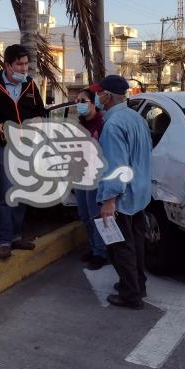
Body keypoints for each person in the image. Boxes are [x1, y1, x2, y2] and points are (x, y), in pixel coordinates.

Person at [0, 44, 46, 259]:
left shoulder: (31, 85)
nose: (24, 68)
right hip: (2, 147)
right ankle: (2, 240)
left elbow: (41, 111)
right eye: (19, 64)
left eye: (26, 64)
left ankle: (15, 236)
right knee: (5, 194)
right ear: (8, 65)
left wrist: (37, 121)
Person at [92, 75, 152, 310]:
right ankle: (138, 284)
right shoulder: (136, 118)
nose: (98, 97)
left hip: (123, 197)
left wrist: (109, 200)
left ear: (107, 96)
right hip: (139, 192)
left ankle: (130, 295)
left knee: (120, 247)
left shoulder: (114, 124)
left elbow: (116, 166)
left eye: (99, 93)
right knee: (136, 243)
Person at [74, 88, 108, 270]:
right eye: (77, 101)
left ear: (94, 103)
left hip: (96, 177)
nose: (79, 104)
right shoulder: (80, 124)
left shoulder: (102, 123)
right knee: (85, 215)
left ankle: (101, 253)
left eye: (83, 101)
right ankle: (94, 247)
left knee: (96, 215)